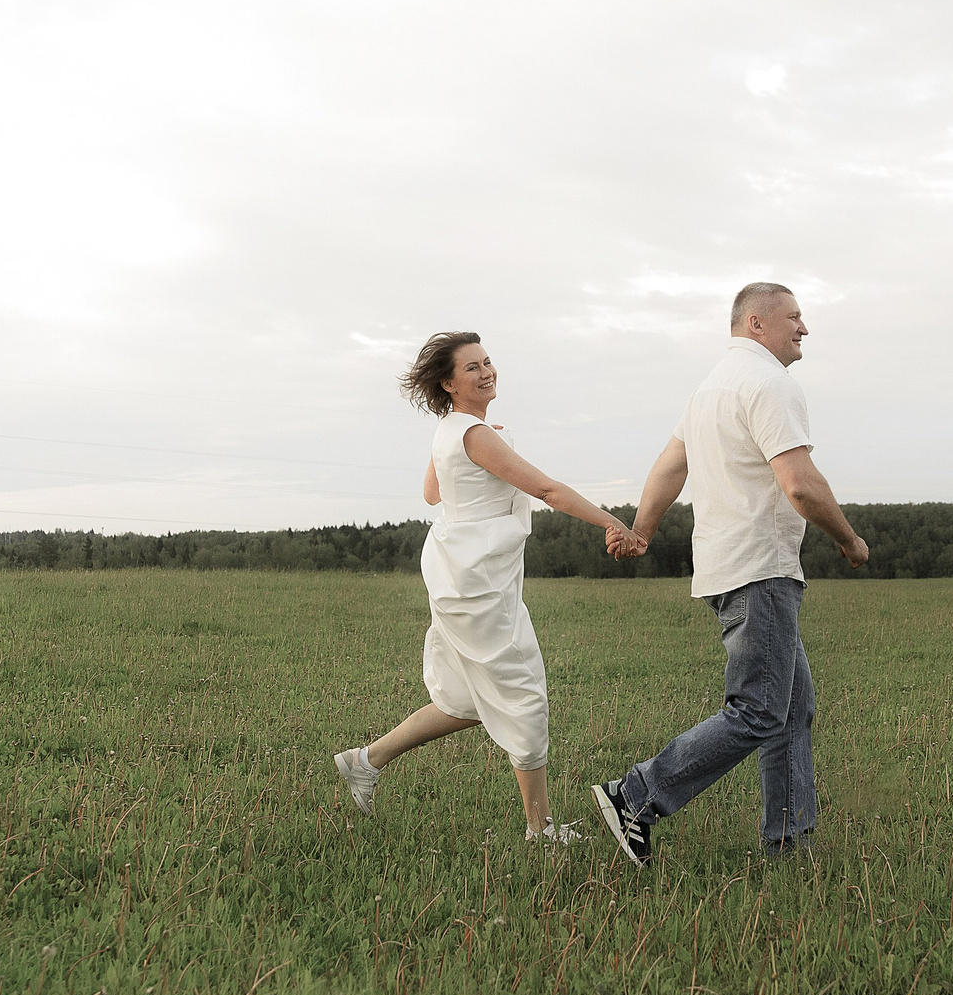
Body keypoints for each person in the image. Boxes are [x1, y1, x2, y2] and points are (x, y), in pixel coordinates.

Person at [591, 282, 868, 866]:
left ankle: (789, 842)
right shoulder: (770, 383)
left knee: (791, 707)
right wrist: (849, 539)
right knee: (760, 708)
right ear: (756, 323)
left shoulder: (710, 388)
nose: (804, 328)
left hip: (727, 567)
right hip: (760, 567)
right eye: (794, 316)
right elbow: (799, 483)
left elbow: (670, 466)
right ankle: (637, 795)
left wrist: (642, 530)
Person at [334, 332, 649, 841]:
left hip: (464, 575)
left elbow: (433, 493)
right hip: (477, 584)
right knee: (523, 696)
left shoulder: (453, 430)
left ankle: (365, 761)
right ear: (448, 384)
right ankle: (540, 830)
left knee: (464, 700)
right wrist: (614, 523)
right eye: (472, 368)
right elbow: (546, 489)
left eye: (487, 362)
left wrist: (475, 446)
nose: (486, 372)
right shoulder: (474, 435)